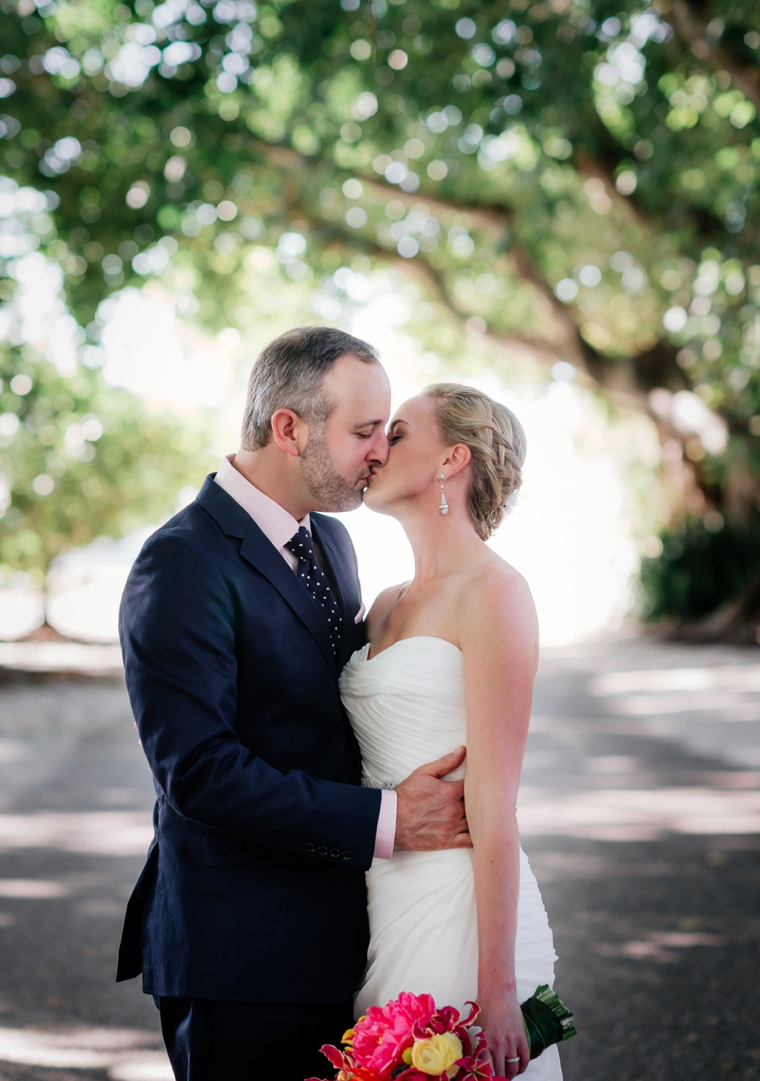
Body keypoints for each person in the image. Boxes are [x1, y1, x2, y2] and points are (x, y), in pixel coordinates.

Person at [116, 328, 471, 1081]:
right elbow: (199, 770)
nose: (379, 450)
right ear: (289, 427)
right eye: (363, 430)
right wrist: (388, 818)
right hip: (239, 960)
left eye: (386, 432)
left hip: (341, 944)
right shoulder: (181, 560)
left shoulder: (334, 542)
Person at [340, 382, 562, 1080]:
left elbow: (496, 801)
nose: (377, 448)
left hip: (462, 907)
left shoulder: (496, 594)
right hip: (384, 896)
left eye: (398, 432)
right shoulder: (380, 606)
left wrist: (495, 988)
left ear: (451, 460)